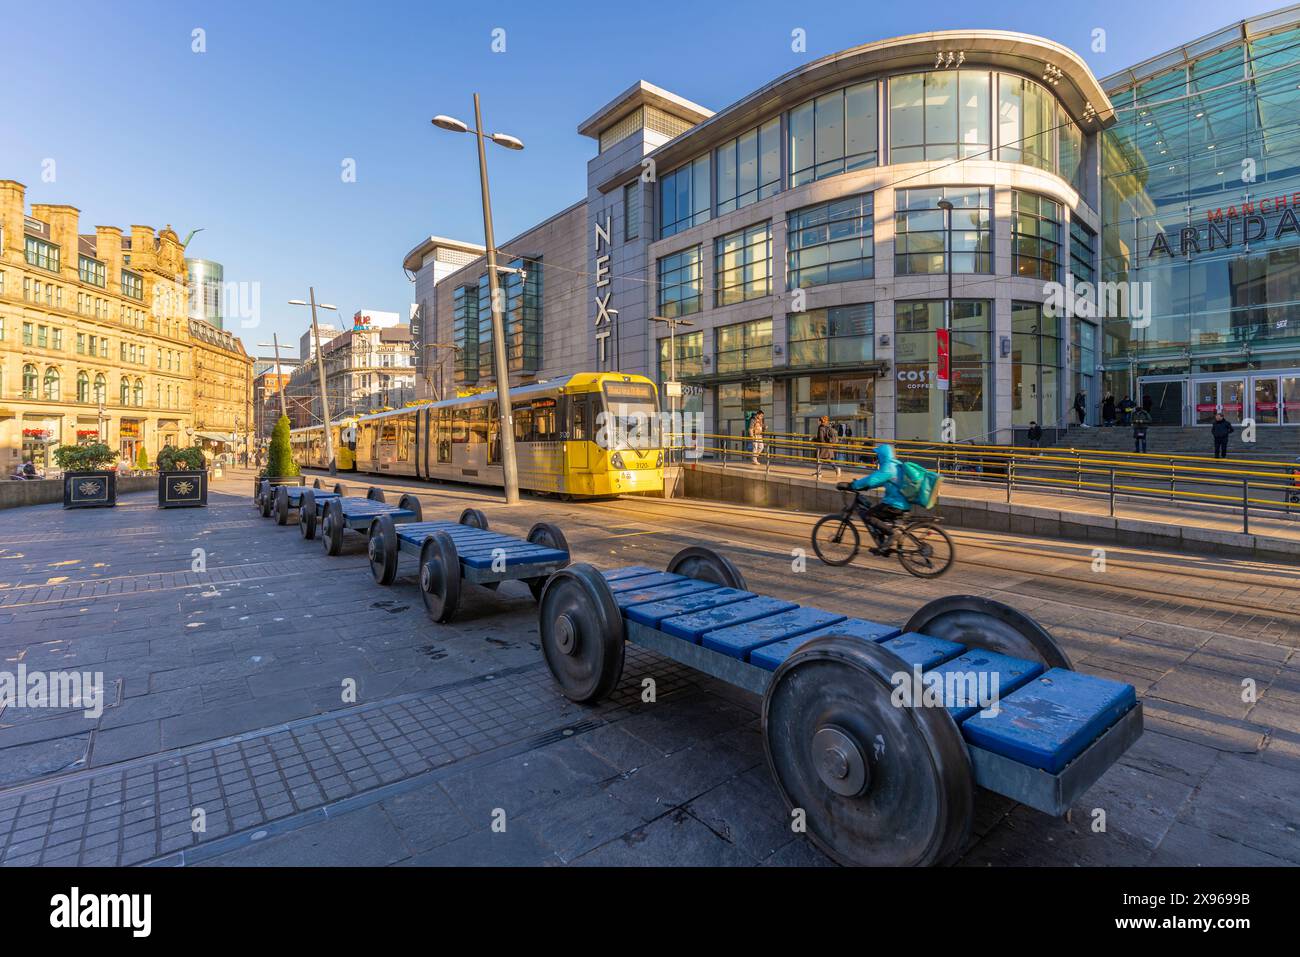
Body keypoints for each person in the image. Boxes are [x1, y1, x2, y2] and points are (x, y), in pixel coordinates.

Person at [846, 444, 911, 555]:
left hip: (894, 505)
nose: (876, 458)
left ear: (883, 456)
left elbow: (872, 479)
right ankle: (883, 546)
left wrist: (854, 485)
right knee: (876, 515)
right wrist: (866, 486)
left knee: (868, 515)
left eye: (877, 456)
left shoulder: (888, 468)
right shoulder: (895, 466)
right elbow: (877, 482)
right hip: (900, 504)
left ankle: (892, 533)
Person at [814, 415, 839, 480]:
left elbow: (821, 439)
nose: (818, 421)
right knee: (827, 459)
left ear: (821, 421)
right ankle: (836, 469)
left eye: (819, 420)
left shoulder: (821, 427)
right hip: (828, 445)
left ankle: (819, 473)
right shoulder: (828, 426)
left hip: (823, 446)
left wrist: (814, 439)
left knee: (820, 459)